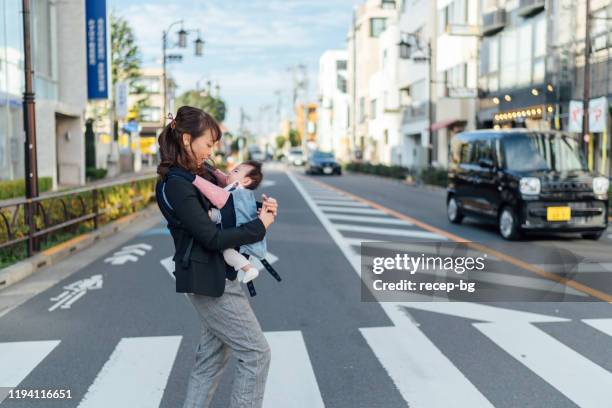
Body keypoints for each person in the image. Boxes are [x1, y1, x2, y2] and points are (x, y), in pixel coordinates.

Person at [156, 106, 278, 408]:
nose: (211, 151)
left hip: (218, 276)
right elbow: (210, 238)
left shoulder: (200, 174)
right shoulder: (176, 183)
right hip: (209, 280)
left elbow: (230, 206)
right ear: (187, 139)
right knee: (256, 354)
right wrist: (258, 227)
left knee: (210, 362)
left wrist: (256, 211)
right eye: (208, 144)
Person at [169, 161, 267, 284]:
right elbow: (222, 177)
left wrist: (190, 177)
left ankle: (248, 268)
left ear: (246, 181)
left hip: (234, 237)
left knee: (227, 253)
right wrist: (210, 168)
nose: (230, 172)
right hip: (237, 231)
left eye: (236, 171)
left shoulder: (236, 194)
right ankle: (247, 268)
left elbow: (212, 191)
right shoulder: (245, 195)